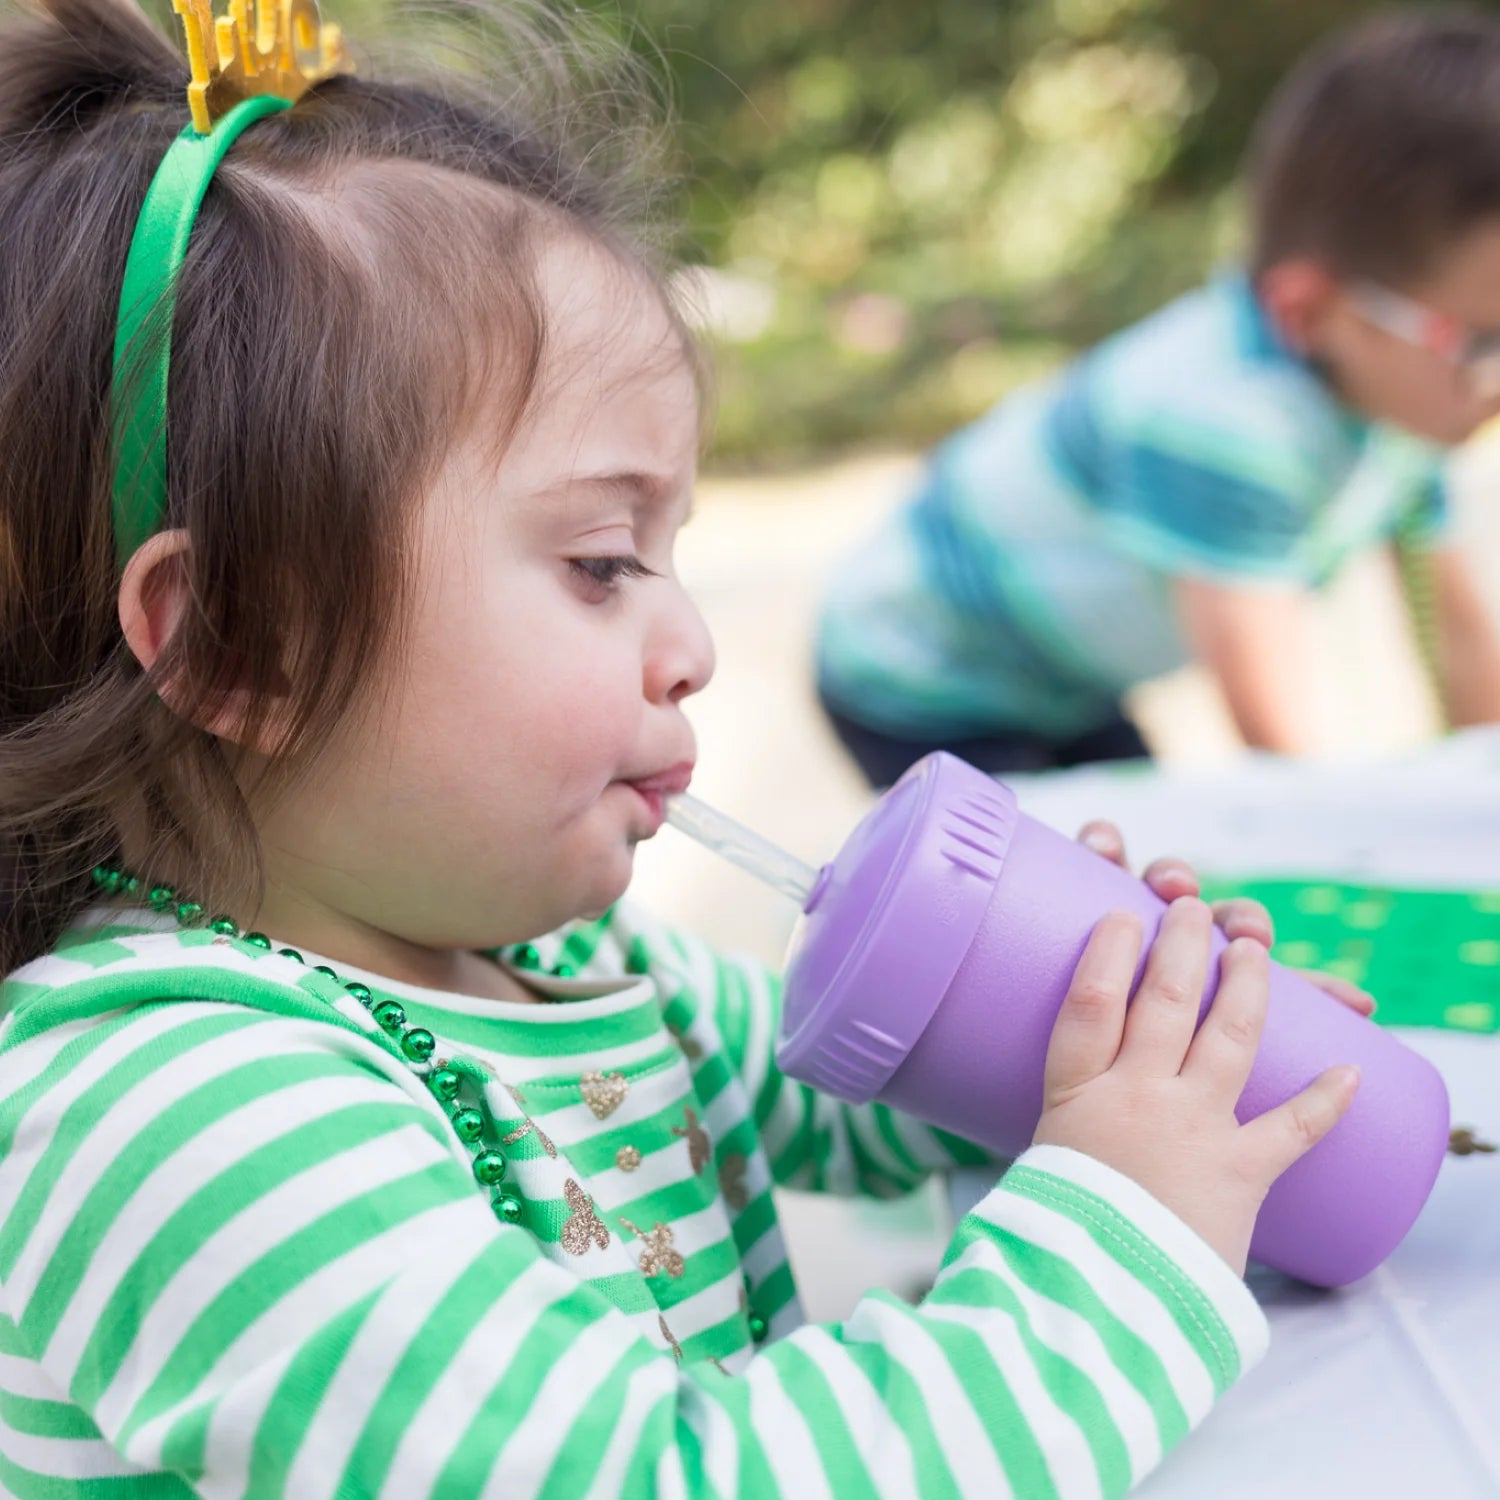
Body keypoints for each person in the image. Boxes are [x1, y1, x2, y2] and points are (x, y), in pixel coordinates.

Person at [0, 0, 1362, 1493]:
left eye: (672, 551)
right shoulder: (180, 1112)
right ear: (245, 644)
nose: (695, 646)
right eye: (601, 561)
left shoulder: (573, 964)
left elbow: (843, 1120)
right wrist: (1124, 1235)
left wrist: (1060, 1029)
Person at [816, 7, 1500, 790]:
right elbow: (1287, 755)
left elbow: (1463, 641)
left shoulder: (1409, 397)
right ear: (1309, 311)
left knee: (1133, 866)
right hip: (925, 672)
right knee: (1057, 892)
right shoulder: (1225, 428)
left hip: (1064, 677)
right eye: (1484, 341)